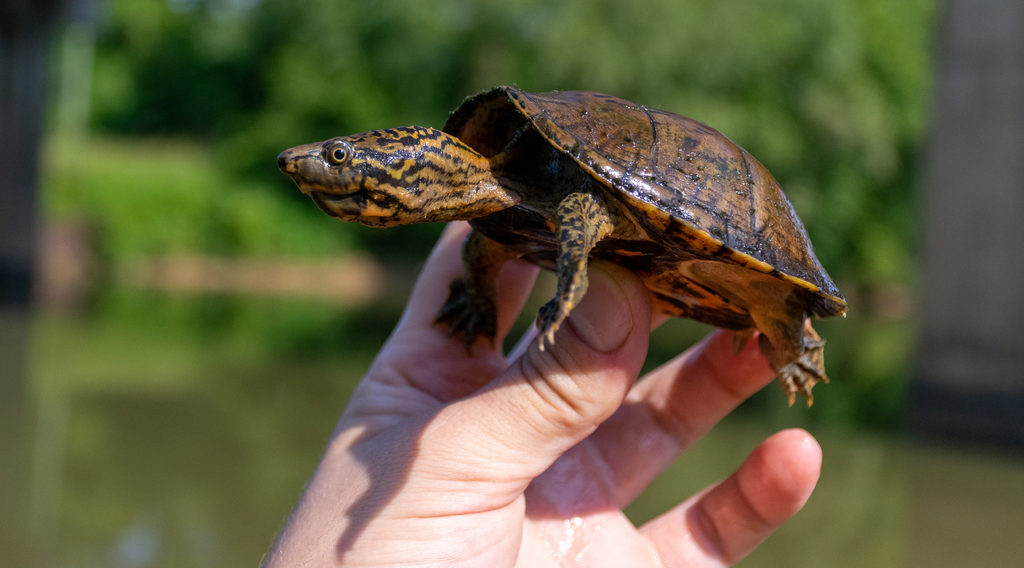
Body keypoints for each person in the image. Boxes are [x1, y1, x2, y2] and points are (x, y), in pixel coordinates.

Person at [264, 222, 821, 567]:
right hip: (672, 272)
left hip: (717, 253)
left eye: (340, 159)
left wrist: (571, 287)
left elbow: (586, 209)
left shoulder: (552, 199)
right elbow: (489, 241)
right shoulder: (498, 222)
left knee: (780, 328)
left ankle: (794, 338)